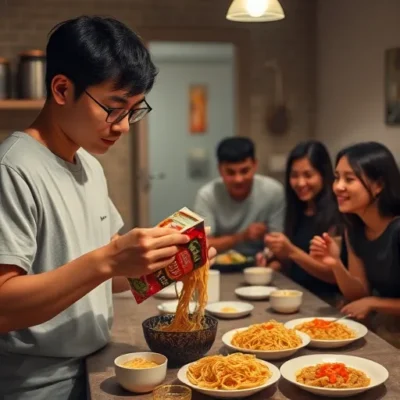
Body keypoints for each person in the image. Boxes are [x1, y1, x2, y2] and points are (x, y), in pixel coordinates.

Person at [0, 16, 215, 399]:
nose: (124, 126)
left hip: (94, 366)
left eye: (134, 110)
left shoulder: (90, 167)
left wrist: (162, 264)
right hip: (39, 385)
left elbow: (102, 277)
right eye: (114, 108)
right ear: (63, 89)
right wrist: (109, 259)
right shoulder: (13, 169)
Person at [310, 142, 400, 348]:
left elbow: (366, 300)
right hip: (385, 328)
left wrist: (374, 303)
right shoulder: (354, 228)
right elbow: (358, 294)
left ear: (379, 185)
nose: (337, 187)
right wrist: (334, 263)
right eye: (336, 177)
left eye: (349, 179)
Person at [257, 140, 346, 305]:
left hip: (327, 303)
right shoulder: (296, 209)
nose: (300, 183)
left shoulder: (338, 213)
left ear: (323, 174)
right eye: (294, 175)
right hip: (295, 296)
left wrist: (291, 251)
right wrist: (273, 260)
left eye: (308, 175)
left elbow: (333, 275)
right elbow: (295, 265)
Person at [194, 137, 284, 258]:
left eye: (245, 171)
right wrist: (242, 237)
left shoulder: (274, 191)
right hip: (218, 266)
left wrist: (269, 257)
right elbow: (203, 245)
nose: (238, 179)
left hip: (259, 264)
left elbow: (279, 243)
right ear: (220, 170)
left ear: (255, 165)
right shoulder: (207, 195)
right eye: (231, 172)